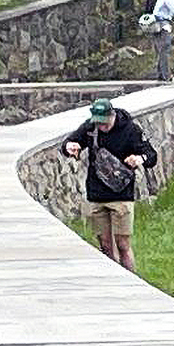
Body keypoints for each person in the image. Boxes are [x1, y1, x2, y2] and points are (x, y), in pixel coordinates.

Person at [62, 98, 157, 272]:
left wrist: (139, 159)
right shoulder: (90, 128)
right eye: (98, 124)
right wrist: (70, 146)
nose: (102, 127)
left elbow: (151, 156)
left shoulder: (130, 130)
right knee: (105, 245)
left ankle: (132, 280)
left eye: (105, 124)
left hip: (121, 195)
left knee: (123, 244)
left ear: (112, 115)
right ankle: (112, 278)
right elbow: (69, 142)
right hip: (97, 195)